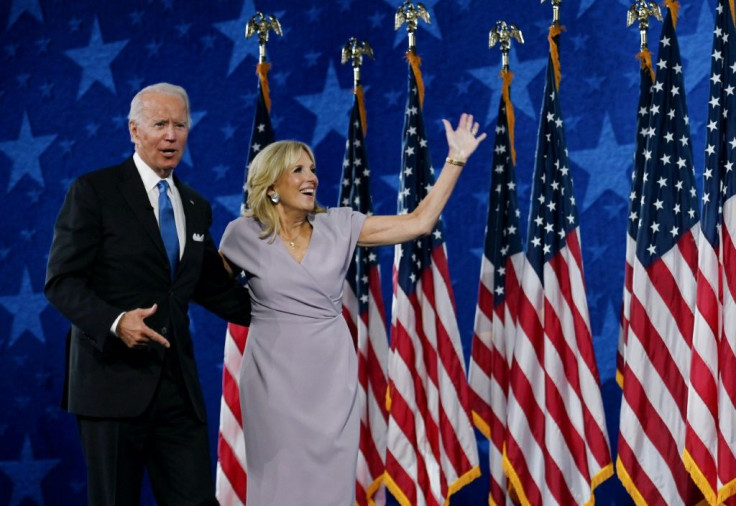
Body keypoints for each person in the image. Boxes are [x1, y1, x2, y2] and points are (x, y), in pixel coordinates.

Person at [218, 113, 486, 505]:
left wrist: (455, 160)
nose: (311, 177)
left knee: (329, 484)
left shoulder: (340, 225)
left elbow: (419, 222)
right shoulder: (242, 234)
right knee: (277, 482)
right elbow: (208, 288)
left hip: (330, 376)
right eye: (298, 170)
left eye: (312, 169)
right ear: (272, 185)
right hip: (271, 379)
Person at [44, 82, 251, 506]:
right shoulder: (95, 192)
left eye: (180, 125)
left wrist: (298, 306)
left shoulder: (195, 205)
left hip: (177, 390)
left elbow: (215, 289)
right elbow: (61, 281)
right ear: (134, 131)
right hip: (111, 386)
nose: (171, 135)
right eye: (160, 124)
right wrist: (117, 323)